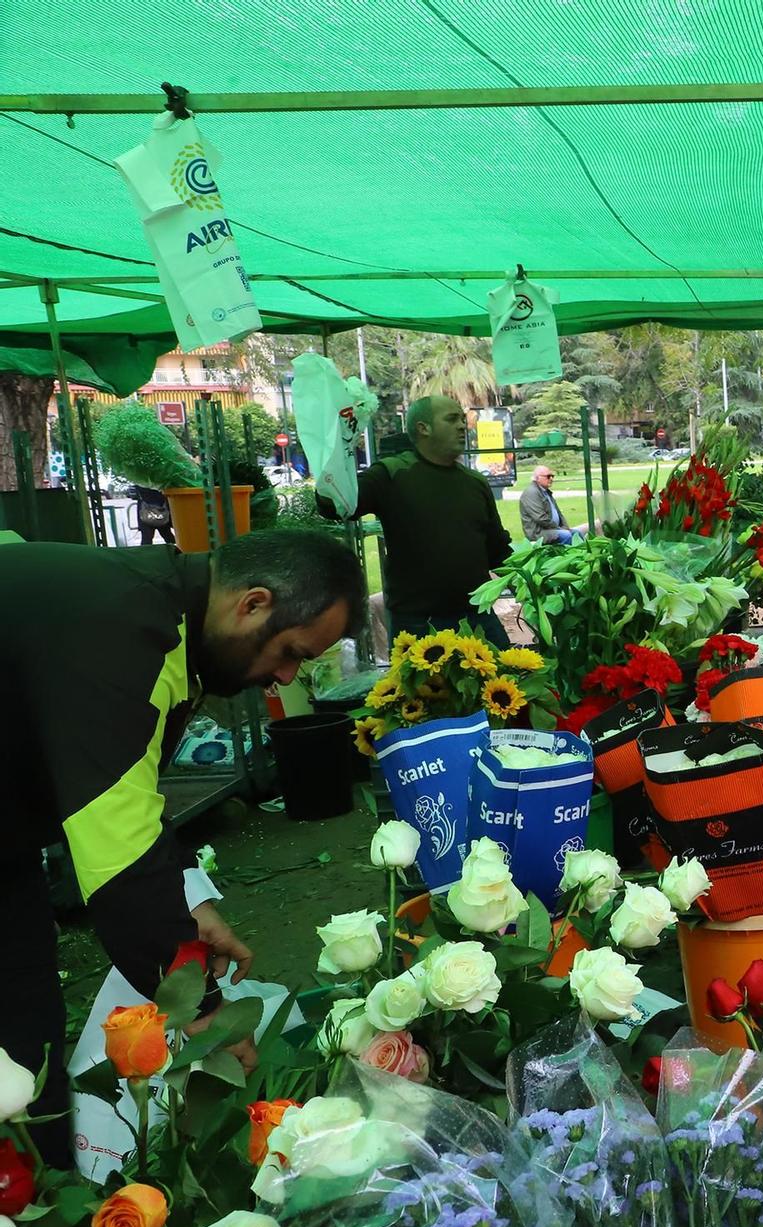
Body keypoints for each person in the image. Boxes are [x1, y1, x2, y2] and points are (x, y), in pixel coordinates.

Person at [0, 529, 365, 1163]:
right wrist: (205, 1012)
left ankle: (38, 1197)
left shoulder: (173, 616)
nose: (285, 676)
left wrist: (190, 898)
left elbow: (130, 791)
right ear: (251, 604)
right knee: (19, 1022)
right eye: (289, 653)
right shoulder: (122, 635)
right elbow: (121, 871)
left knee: (25, 1027)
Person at [318, 396, 512, 645]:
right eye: (452, 419)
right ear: (423, 428)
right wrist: (338, 445)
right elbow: (333, 506)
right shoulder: (391, 474)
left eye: (462, 420)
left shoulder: (475, 482)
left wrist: (530, 585)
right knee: (423, 686)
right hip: (417, 623)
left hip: (477, 616)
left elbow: (497, 549)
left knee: (505, 681)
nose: (463, 426)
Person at [520, 465, 581, 545]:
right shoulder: (531, 493)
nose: (551, 479)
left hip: (551, 529)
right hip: (538, 533)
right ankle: (565, 556)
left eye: (552, 476)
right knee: (566, 535)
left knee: (576, 533)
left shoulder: (545, 491)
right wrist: (559, 528)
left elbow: (559, 514)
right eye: (548, 476)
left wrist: (565, 527)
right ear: (538, 478)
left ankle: (585, 555)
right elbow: (541, 518)